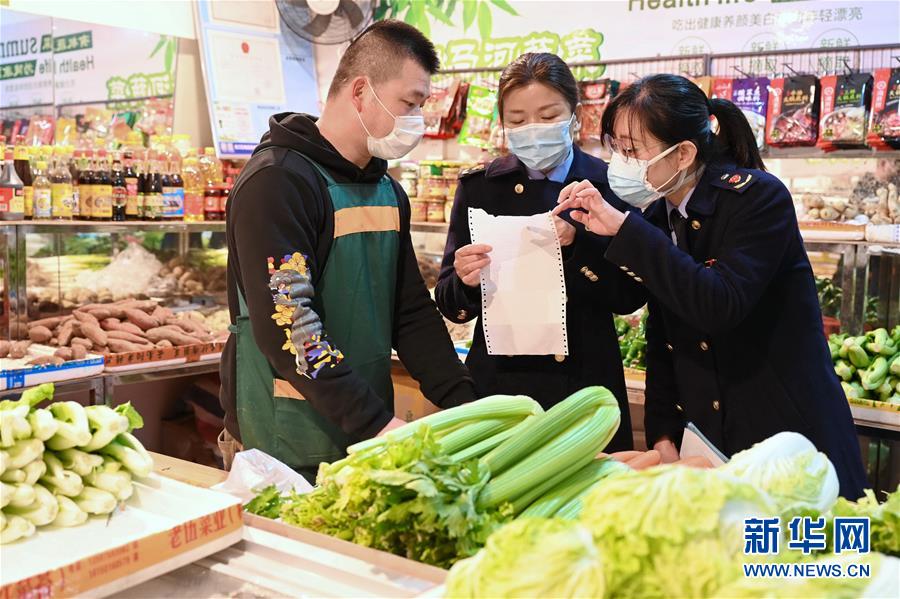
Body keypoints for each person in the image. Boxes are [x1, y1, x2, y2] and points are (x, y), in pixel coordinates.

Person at [553, 74, 867, 498]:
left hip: (789, 438)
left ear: (683, 153)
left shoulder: (758, 199)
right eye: (616, 149)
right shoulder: (660, 214)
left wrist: (626, 229)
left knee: (801, 558)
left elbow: (717, 304)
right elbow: (664, 331)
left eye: (632, 150)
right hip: (710, 441)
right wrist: (663, 430)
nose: (621, 163)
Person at [220, 20, 477, 479]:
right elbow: (291, 326)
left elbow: (410, 311)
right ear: (361, 91)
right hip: (286, 436)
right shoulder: (278, 182)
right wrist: (377, 425)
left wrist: (464, 401)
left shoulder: (386, 190)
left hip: (363, 430)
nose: (416, 119)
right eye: (409, 103)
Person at [435, 53, 646, 451]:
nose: (532, 129)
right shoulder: (481, 187)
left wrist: (577, 245)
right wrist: (463, 280)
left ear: (575, 117)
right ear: (503, 124)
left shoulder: (609, 185)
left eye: (548, 116)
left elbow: (630, 296)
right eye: (517, 121)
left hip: (585, 386)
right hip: (499, 389)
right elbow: (450, 302)